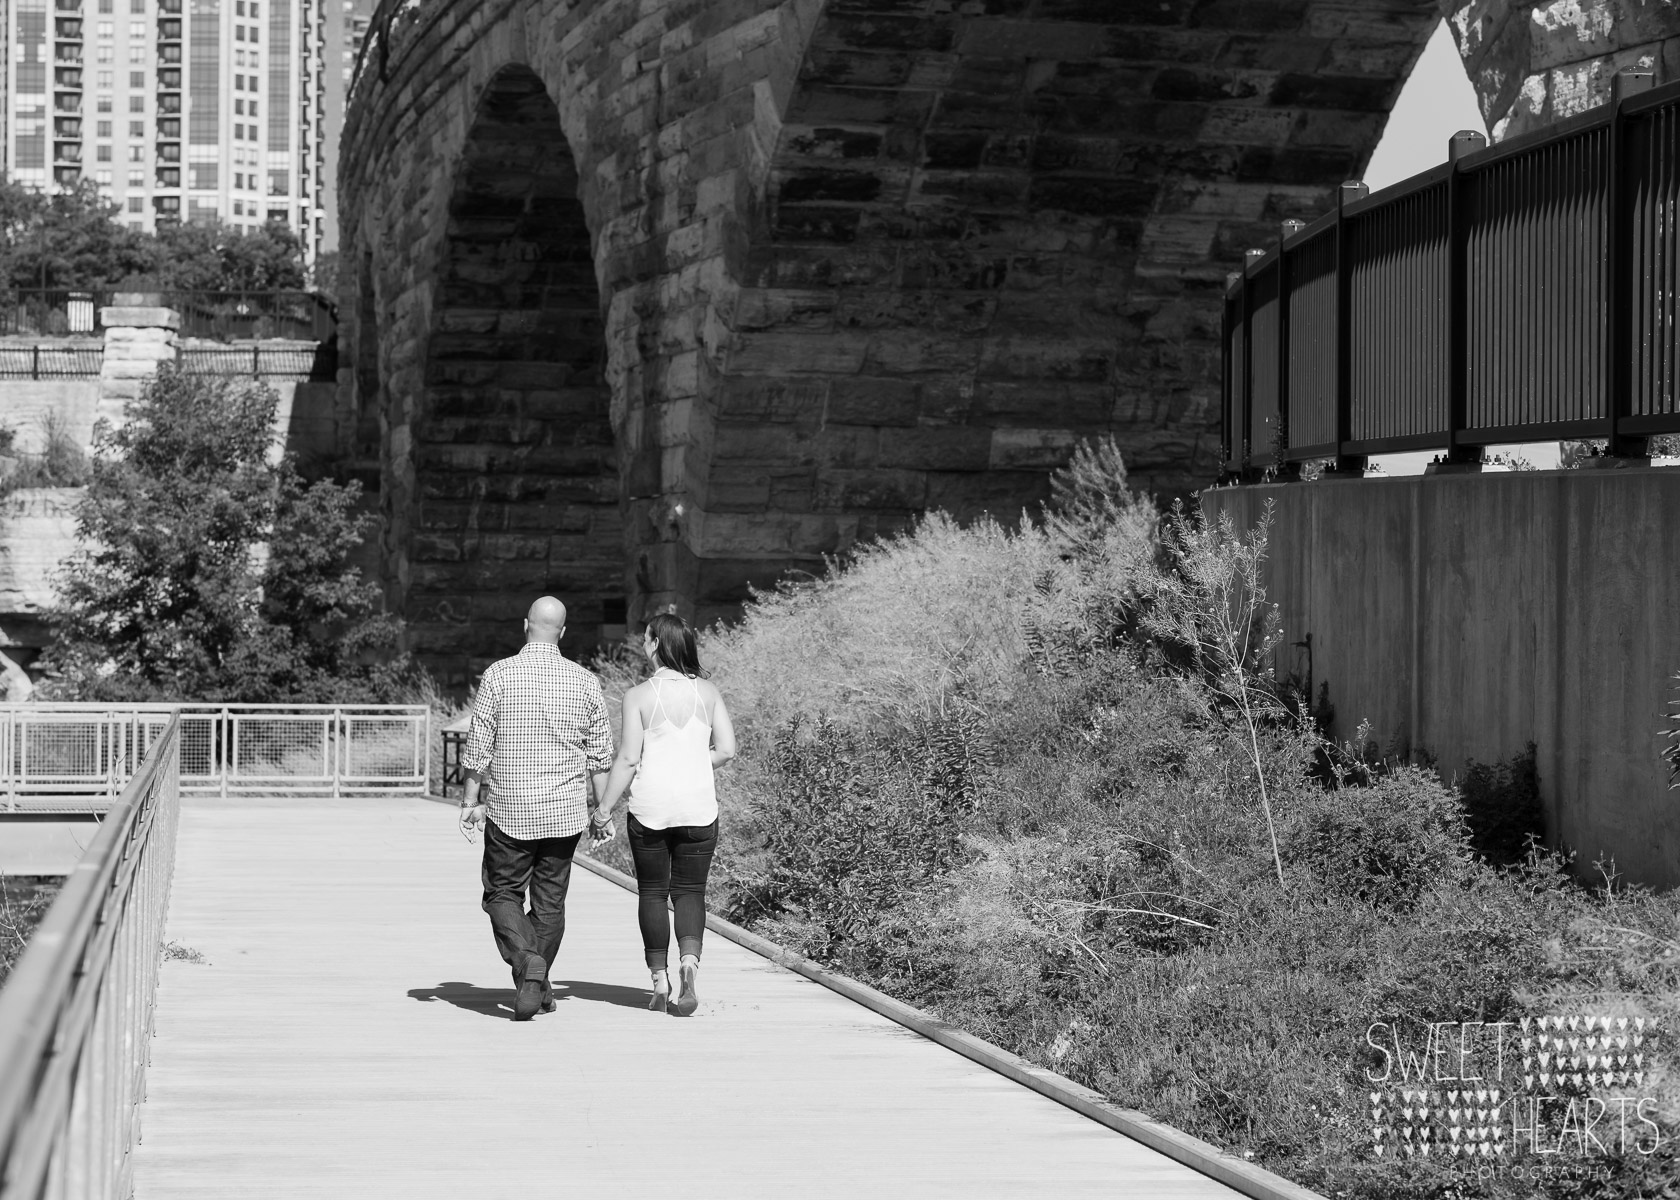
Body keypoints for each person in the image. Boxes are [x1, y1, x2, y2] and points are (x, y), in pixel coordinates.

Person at [459, 596, 614, 1021]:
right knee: (550, 905)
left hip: (510, 807)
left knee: (501, 893)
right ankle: (539, 986)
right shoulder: (585, 681)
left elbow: (478, 746)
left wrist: (471, 800)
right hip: (564, 813)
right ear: (562, 632)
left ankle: (528, 964)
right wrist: (604, 811)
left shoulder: (499, 674)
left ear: (525, 624)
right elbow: (600, 756)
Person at [592, 613, 735, 1015]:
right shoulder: (708, 692)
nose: (642, 644)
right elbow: (726, 749)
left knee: (653, 892)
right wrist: (691, 762)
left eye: (645, 638)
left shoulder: (638, 696)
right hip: (698, 808)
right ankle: (689, 964)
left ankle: (659, 980)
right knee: (690, 892)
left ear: (655, 644)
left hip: (650, 808)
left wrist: (603, 809)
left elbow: (628, 759)